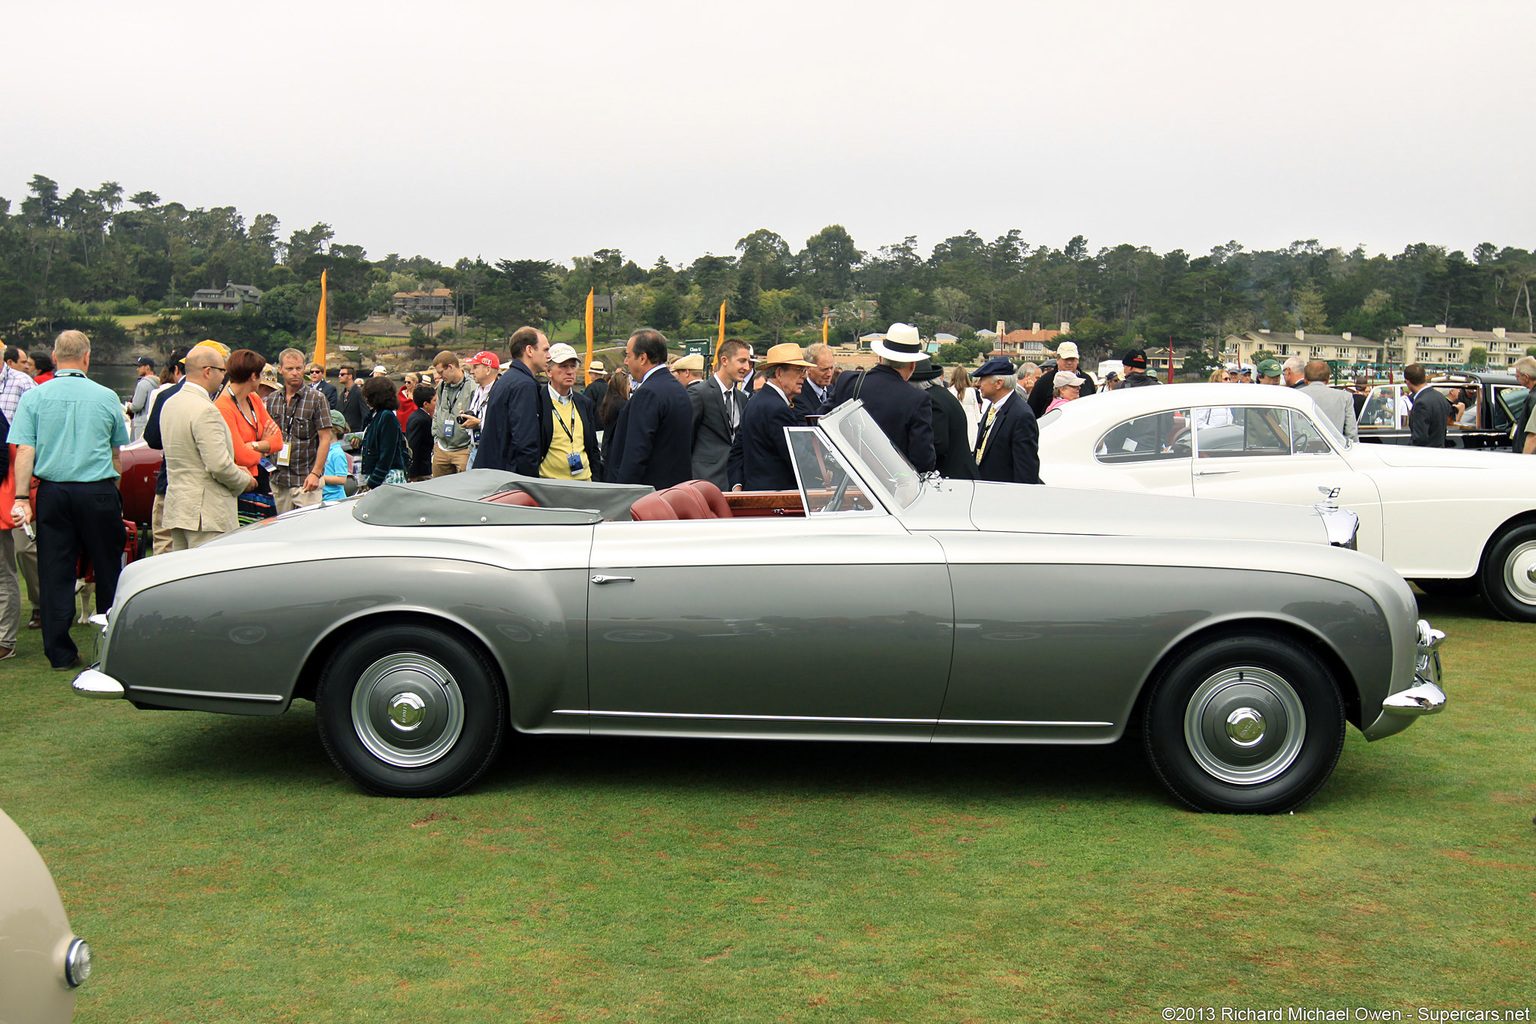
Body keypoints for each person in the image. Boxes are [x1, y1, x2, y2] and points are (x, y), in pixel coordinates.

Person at [7, 330, 129, 670]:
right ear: (87, 357)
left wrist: (22, 498)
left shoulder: (35, 397)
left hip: (53, 492)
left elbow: (25, 452)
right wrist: (114, 488)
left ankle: (60, 652)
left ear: (55, 356)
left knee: (55, 571)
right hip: (97, 489)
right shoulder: (106, 397)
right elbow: (116, 452)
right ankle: (109, 645)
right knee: (107, 569)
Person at [160, 346, 254, 550]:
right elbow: (218, 465)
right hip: (207, 514)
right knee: (210, 575)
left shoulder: (170, 403)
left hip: (179, 508)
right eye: (222, 371)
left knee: (183, 575)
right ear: (207, 371)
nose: (224, 377)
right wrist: (244, 480)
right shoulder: (205, 410)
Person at [826, 322, 935, 473]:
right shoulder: (917, 399)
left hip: (846, 476)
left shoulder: (848, 381)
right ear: (912, 365)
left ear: (880, 357)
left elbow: (817, 421)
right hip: (889, 485)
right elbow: (922, 459)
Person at [613, 329, 693, 489]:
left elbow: (636, 453)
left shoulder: (648, 393)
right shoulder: (678, 389)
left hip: (650, 495)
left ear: (643, 358)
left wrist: (622, 493)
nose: (626, 362)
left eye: (628, 355)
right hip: (677, 491)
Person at [263, 347, 334, 513]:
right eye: (289, 369)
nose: (294, 373)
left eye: (298, 368)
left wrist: (316, 473)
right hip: (278, 480)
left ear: (304, 368)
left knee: (308, 533)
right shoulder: (273, 399)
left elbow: (325, 438)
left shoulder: (317, 399)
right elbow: (267, 436)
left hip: (306, 480)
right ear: (280, 370)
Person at [735, 343, 812, 491]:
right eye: (799, 370)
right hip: (777, 497)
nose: (804, 375)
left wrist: (737, 486)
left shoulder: (758, 400)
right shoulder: (777, 408)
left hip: (758, 492)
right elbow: (797, 457)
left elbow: (737, 450)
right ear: (779, 373)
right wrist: (828, 472)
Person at [142, 345, 196, 555]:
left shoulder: (166, 395)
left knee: (165, 543)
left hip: (170, 479)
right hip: (204, 485)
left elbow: (152, 439)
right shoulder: (218, 397)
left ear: (176, 370)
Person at [477, 327, 551, 475]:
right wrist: (530, 481)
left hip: (493, 471)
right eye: (545, 350)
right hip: (510, 477)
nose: (549, 356)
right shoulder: (524, 385)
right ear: (529, 350)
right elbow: (525, 440)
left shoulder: (506, 380)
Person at [215, 349, 283, 489]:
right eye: (260, 376)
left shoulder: (254, 399)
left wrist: (254, 445)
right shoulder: (223, 407)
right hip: (241, 481)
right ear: (253, 376)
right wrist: (264, 448)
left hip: (261, 476)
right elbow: (241, 456)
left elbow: (278, 440)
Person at [690, 338, 751, 489]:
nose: (747, 367)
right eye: (742, 361)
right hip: (703, 481)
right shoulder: (699, 394)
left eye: (748, 362)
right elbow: (684, 440)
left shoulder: (742, 398)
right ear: (724, 360)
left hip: (734, 482)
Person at [972, 356, 1041, 485]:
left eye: (982, 379)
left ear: (999, 383)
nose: (978, 384)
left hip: (1004, 494)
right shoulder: (993, 408)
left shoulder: (1021, 415)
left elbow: (1026, 469)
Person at [539, 343, 603, 481]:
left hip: (585, 484)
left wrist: (596, 481)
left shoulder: (584, 403)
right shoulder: (538, 402)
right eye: (563, 366)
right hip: (551, 487)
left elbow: (592, 448)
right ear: (549, 371)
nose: (570, 371)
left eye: (573, 366)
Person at [911, 358, 976, 480]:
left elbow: (938, 444)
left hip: (953, 477)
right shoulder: (941, 394)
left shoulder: (931, 400)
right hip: (960, 473)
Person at [359, 375, 411, 489]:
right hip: (377, 474)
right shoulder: (374, 416)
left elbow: (388, 453)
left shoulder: (387, 417)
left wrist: (374, 480)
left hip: (386, 476)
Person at [428, 351, 474, 476]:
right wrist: (436, 437)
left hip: (463, 449)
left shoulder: (471, 387)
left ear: (451, 367)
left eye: (441, 372)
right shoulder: (442, 386)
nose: (439, 376)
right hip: (441, 448)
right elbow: (437, 411)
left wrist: (470, 448)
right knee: (439, 490)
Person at [1027, 341, 1095, 417]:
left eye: (1072, 359)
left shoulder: (1087, 380)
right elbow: (1032, 410)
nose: (1069, 363)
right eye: (1066, 359)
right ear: (1058, 359)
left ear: (1078, 360)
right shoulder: (1044, 382)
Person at [455, 351, 500, 465]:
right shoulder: (477, 391)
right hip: (474, 448)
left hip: (492, 451)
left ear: (488, 370)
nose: (471, 371)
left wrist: (479, 423)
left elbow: (502, 424)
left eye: (476, 367)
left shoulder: (500, 391)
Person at [1298, 360, 1359, 442]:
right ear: (1328, 379)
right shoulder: (1344, 397)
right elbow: (1351, 433)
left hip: (1302, 448)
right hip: (1335, 449)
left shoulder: (1295, 395)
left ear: (1305, 379)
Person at [1404, 363, 1452, 448]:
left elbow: (1419, 438)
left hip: (1426, 454)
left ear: (1408, 382)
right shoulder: (1440, 397)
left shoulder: (1421, 403)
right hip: (1440, 450)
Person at [597, 370, 630, 473]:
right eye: (628, 384)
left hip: (607, 448)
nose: (630, 388)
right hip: (618, 451)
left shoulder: (608, 402)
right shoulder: (623, 406)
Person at [793, 342, 836, 418]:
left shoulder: (833, 390)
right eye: (824, 369)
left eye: (831, 368)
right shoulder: (797, 395)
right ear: (809, 368)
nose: (829, 374)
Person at [126, 356, 160, 441]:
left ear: (147, 367)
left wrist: (128, 407)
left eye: (139, 366)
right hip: (153, 422)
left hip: (141, 424)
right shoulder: (159, 382)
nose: (137, 369)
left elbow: (136, 406)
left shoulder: (143, 384)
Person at [405, 385, 435, 481]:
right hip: (421, 471)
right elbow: (413, 446)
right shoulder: (421, 419)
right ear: (426, 404)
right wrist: (412, 473)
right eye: (434, 400)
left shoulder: (418, 416)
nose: (437, 403)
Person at [320, 409, 351, 501]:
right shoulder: (323, 450)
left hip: (334, 500)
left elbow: (342, 479)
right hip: (323, 498)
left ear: (335, 430)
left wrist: (319, 477)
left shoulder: (337, 453)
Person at [949, 364, 980, 448]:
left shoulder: (949, 392)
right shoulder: (972, 391)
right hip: (971, 422)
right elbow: (977, 411)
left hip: (955, 422)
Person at [1512, 356, 1536, 454]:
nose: (1517, 379)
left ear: (1526, 377)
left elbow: (1533, 435)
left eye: (1518, 376)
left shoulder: (1533, 398)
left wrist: (1523, 460)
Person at [338, 365, 371, 432]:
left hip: (356, 433)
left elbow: (365, 414)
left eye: (342, 374)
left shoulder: (359, 393)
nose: (339, 376)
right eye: (339, 374)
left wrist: (361, 433)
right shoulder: (342, 395)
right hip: (343, 432)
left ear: (350, 376)